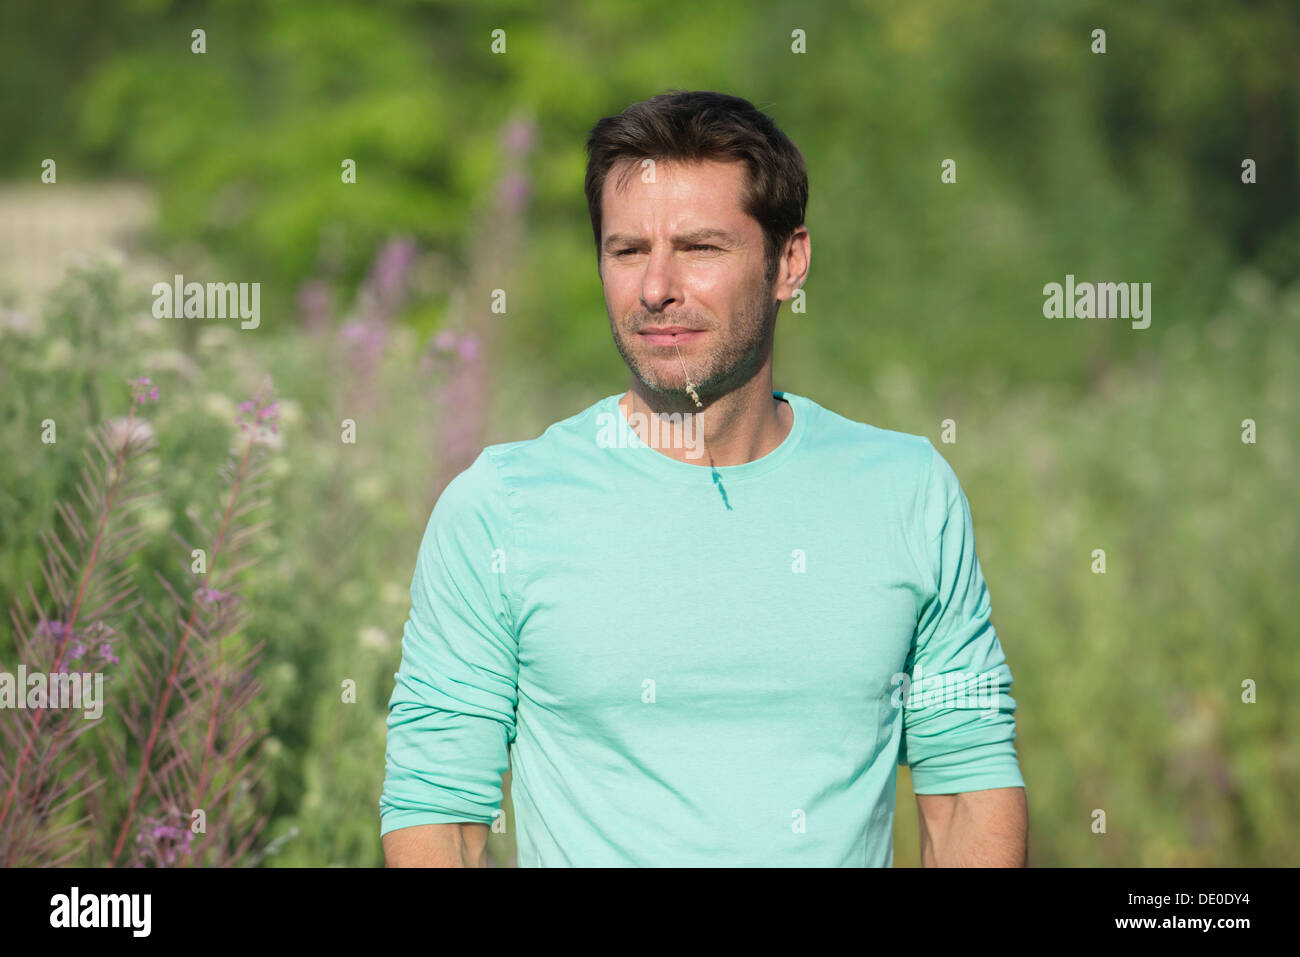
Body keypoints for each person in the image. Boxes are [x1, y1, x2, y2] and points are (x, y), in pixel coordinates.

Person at [380, 89, 1027, 867]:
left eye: (699, 248)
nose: (656, 288)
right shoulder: (499, 509)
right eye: (627, 251)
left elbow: (967, 790)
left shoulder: (908, 492)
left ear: (788, 262)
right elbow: (438, 817)